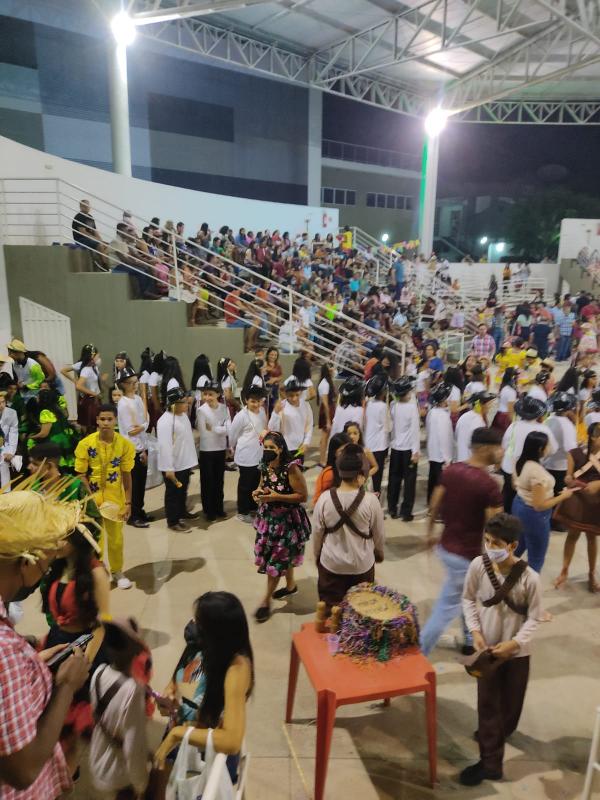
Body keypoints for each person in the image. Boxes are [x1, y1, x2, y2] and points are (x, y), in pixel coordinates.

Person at [0, 489, 92, 799]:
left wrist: (33, 663)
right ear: (26, 562)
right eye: (45, 560)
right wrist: (66, 685)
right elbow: (22, 769)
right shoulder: (4, 652)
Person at [460, 513, 544, 787]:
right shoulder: (477, 566)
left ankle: (496, 732)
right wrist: (474, 631)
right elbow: (468, 599)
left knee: (510, 707)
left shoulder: (530, 578)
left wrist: (515, 643)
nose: (489, 547)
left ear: (512, 545)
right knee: (488, 706)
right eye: (486, 540)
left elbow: (534, 616)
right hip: (488, 653)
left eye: (495, 542)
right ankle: (490, 763)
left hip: (517, 653)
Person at [420, 427, 504, 656]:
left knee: (467, 595)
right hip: (466, 556)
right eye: (499, 447)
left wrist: (429, 533)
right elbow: (495, 528)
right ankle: (420, 654)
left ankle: (468, 638)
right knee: (445, 609)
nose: (502, 451)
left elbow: (434, 504)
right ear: (486, 449)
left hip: (446, 547)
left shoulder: (451, 471)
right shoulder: (489, 485)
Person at [154, 591, 254, 771]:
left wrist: (177, 734)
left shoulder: (236, 669)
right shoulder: (199, 646)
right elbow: (176, 681)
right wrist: (168, 696)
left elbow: (232, 741)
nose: (192, 625)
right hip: (182, 734)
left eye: (198, 622)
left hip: (205, 755)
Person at [41, 524, 108, 773]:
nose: (54, 543)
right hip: (55, 645)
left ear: (77, 539)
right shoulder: (56, 567)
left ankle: (68, 772)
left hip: (82, 651)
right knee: (51, 715)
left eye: (60, 538)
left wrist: (84, 663)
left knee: (69, 720)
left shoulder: (96, 573)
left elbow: (101, 625)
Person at [312, 443, 385, 611]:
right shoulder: (371, 501)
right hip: (362, 566)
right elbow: (379, 534)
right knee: (360, 613)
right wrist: (379, 552)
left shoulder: (324, 499)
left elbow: (317, 533)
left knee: (332, 612)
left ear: (339, 470)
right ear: (361, 473)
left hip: (331, 565)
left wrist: (317, 556)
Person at [252, 431, 311, 622]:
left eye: (272, 448)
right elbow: (263, 485)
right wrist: (258, 492)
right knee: (282, 556)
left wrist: (276, 497)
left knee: (276, 562)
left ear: (281, 449)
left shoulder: (291, 469)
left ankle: (266, 601)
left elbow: (302, 496)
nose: (268, 450)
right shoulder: (264, 465)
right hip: (268, 520)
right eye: (266, 447)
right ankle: (291, 585)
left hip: (286, 522)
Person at [89, 618, 151, 799]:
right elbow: (133, 744)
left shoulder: (99, 672)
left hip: (98, 760)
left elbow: (97, 717)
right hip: (119, 774)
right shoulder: (133, 689)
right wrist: (141, 782)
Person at [75, 404, 135, 589]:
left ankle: (117, 571)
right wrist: (90, 497)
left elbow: (126, 475)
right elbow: (80, 474)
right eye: (102, 419)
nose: (106, 423)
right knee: (95, 538)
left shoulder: (124, 445)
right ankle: (98, 572)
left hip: (115, 499)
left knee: (116, 538)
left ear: (115, 420)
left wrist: (128, 502)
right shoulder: (86, 444)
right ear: (97, 420)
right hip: (91, 500)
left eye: (110, 419)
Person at [512, 431, 576, 573]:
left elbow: (515, 484)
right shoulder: (537, 472)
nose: (550, 447)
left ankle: (504, 575)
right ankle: (529, 589)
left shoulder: (521, 461)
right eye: (548, 445)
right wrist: (564, 496)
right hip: (533, 515)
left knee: (519, 543)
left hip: (518, 504)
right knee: (536, 556)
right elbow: (539, 505)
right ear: (540, 449)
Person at [554, 422, 600, 592]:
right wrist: (568, 479)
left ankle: (591, 574)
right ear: (593, 437)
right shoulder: (575, 453)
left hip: (596, 503)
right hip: (577, 502)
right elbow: (567, 476)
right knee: (572, 535)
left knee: (591, 537)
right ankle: (564, 571)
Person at [500, 396, 557, 512]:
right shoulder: (543, 429)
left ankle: (505, 518)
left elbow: (504, 445)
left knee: (508, 495)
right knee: (526, 497)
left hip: (509, 466)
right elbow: (553, 449)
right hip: (528, 470)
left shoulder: (513, 425)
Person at [157, 387, 199, 533]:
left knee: (182, 490)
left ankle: (182, 513)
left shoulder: (182, 416)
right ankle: (172, 521)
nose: (186, 405)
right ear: (172, 404)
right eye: (183, 402)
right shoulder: (165, 421)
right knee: (173, 493)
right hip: (172, 466)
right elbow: (165, 447)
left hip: (184, 462)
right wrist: (168, 468)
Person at [115, 367, 151, 529]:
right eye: (131, 383)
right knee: (134, 484)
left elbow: (145, 419)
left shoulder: (136, 399)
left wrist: (143, 426)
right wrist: (144, 426)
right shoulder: (123, 404)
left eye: (136, 382)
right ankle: (133, 515)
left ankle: (140, 510)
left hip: (141, 446)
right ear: (123, 384)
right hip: (132, 449)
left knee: (142, 482)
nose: (135, 385)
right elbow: (132, 430)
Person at [229, 385, 268, 523]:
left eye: (259, 401)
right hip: (245, 455)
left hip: (259, 454)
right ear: (246, 400)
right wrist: (231, 448)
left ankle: (252, 507)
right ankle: (242, 511)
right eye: (253, 401)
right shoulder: (241, 416)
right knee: (245, 485)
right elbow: (232, 435)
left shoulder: (262, 411)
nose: (256, 404)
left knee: (256, 483)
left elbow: (264, 428)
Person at [387, 377, 419, 521]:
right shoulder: (412, 408)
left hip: (395, 448)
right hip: (408, 450)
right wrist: (416, 451)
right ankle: (406, 512)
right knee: (409, 481)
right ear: (406, 393)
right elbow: (414, 430)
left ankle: (392, 508)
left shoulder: (393, 405)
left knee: (394, 479)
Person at [196, 380, 229, 521]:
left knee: (219, 480)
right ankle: (208, 510)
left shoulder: (224, 408)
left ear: (218, 394)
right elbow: (204, 431)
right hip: (206, 450)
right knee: (207, 481)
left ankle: (218, 507)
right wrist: (221, 428)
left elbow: (229, 428)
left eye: (211, 394)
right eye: (205, 394)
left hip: (220, 449)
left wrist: (216, 428)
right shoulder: (201, 410)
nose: (207, 397)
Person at [544, 391, 578, 518]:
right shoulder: (567, 425)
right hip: (561, 466)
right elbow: (571, 450)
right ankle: (557, 520)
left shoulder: (549, 419)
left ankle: (550, 517)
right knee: (559, 495)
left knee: (549, 493)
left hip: (547, 464)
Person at [269, 380, 314, 464]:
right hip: (285, 448)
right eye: (291, 395)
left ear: (300, 393)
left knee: (298, 473)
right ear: (286, 394)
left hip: (300, 447)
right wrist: (275, 413)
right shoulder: (282, 406)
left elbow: (309, 425)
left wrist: (306, 442)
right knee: (285, 474)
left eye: (297, 395)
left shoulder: (306, 405)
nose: (294, 398)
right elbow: (273, 429)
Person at [425, 382, 454, 503]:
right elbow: (444, 438)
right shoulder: (443, 416)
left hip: (433, 453)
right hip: (441, 456)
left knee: (432, 480)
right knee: (439, 483)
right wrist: (447, 458)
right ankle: (436, 507)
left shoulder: (432, 412)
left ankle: (430, 502)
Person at [363, 374, 390, 496]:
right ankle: (375, 504)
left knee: (366, 476)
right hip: (379, 446)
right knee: (377, 479)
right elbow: (388, 427)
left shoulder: (368, 403)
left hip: (368, 445)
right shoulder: (383, 407)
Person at [455, 392, 495, 462]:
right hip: (472, 462)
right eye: (488, 404)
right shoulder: (479, 422)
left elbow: (456, 435)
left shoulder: (463, 416)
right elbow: (479, 448)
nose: (490, 407)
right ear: (480, 405)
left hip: (460, 459)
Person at [313, 432, 351, 505]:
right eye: (342, 451)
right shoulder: (329, 474)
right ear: (334, 453)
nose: (347, 454)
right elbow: (318, 502)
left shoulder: (351, 467)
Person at [76, 344, 103, 433]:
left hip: (95, 399)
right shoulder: (86, 369)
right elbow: (78, 386)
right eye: (97, 356)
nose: (99, 358)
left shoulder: (94, 368)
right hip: (90, 401)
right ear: (92, 356)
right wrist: (94, 393)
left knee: (95, 425)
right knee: (90, 426)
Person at [317, 363, 337, 466]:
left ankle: (323, 457)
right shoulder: (324, 384)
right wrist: (328, 420)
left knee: (325, 437)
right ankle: (322, 460)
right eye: (331, 368)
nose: (334, 370)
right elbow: (325, 404)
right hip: (326, 411)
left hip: (329, 409)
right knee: (324, 437)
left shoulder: (328, 382)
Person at [0, 390, 19, 491]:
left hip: (4, 446)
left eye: (3, 402)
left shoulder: (12, 413)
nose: (2, 405)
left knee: (4, 468)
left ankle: (6, 496)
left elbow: (13, 433)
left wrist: (11, 452)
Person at [491, 368, 518, 434]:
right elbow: (510, 410)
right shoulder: (511, 391)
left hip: (498, 415)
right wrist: (513, 424)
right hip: (505, 418)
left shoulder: (503, 388)